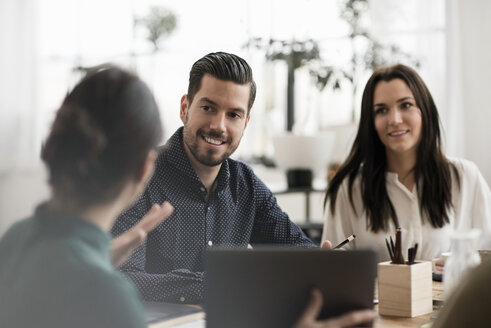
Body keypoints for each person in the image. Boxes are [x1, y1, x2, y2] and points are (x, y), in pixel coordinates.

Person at [112, 51, 316, 304]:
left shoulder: (246, 185)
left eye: (233, 115)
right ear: (185, 108)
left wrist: (320, 266)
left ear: (245, 123)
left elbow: (299, 251)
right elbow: (122, 278)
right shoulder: (139, 177)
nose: (219, 125)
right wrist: (210, 285)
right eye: (208, 108)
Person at [0, 66, 174, 328]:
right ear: (144, 168)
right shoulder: (111, 298)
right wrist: (94, 268)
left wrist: (98, 255)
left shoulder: (14, 239)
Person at [322, 64, 491, 261]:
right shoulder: (348, 188)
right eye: (381, 110)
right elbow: (334, 271)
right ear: (371, 121)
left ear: (425, 111)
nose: (394, 119)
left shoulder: (465, 176)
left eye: (406, 105)